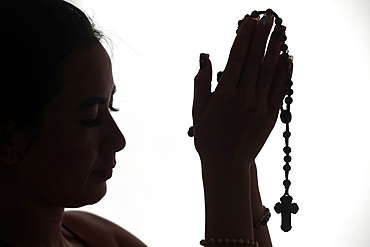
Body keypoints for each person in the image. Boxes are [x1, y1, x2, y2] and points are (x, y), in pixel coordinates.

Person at [0, 0, 291, 246]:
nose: (118, 140)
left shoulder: (93, 234)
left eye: (111, 106)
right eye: (90, 118)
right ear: (8, 139)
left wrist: (241, 156)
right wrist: (227, 166)